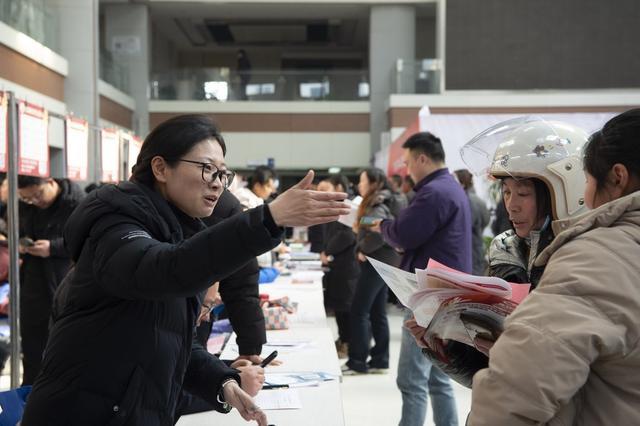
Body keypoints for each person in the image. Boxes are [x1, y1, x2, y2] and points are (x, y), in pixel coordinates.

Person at [21, 114, 349, 426]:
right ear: (161, 168)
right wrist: (268, 218)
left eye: (223, 173)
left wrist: (223, 383)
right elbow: (164, 271)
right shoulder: (115, 224)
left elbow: (168, 336)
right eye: (207, 169)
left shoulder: (175, 229)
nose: (218, 184)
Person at [467, 112, 640, 425]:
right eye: (506, 193)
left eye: (588, 180)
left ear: (617, 177)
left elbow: (515, 391)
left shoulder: (597, 256)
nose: (512, 205)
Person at [407, 118, 590, 387]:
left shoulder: (587, 259)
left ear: (564, 191)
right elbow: (483, 374)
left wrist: (516, 357)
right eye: (506, 192)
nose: (511, 205)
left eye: (523, 193)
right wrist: (442, 343)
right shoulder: (506, 249)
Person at [379, 132, 471, 426]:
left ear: (422, 158)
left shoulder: (434, 193)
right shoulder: (451, 187)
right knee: (438, 378)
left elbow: (404, 233)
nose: (407, 170)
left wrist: (383, 226)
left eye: (408, 163)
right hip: (446, 292)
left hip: (428, 295)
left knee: (412, 379)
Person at [17, 174, 84, 385]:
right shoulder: (26, 206)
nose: (35, 201)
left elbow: (88, 241)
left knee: (64, 347)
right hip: (33, 284)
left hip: (66, 283)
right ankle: (29, 395)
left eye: (37, 195)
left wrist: (52, 248)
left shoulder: (78, 203)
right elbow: (19, 230)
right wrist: (21, 244)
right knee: (32, 347)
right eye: (28, 199)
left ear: (50, 181)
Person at [342, 168, 400, 375]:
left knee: (359, 311)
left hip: (376, 261)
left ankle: (358, 361)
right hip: (385, 263)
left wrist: (363, 249)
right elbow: (375, 223)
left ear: (373, 183)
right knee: (377, 312)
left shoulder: (376, 201)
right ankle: (379, 360)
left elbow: (379, 232)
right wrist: (360, 223)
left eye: (362, 181)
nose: (359, 185)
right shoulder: (381, 200)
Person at [318, 176, 360, 359]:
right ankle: (343, 339)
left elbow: (347, 235)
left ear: (337, 188)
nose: (320, 193)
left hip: (347, 265)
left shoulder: (347, 207)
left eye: (324, 189)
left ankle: (348, 343)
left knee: (345, 307)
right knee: (340, 307)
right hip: (337, 264)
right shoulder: (333, 207)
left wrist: (327, 251)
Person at [454, 169, 490, 275]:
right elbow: (486, 220)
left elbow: (462, 226)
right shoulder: (478, 200)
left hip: (470, 251)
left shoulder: (466, 201)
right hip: (477, 248)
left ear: (461, 183)